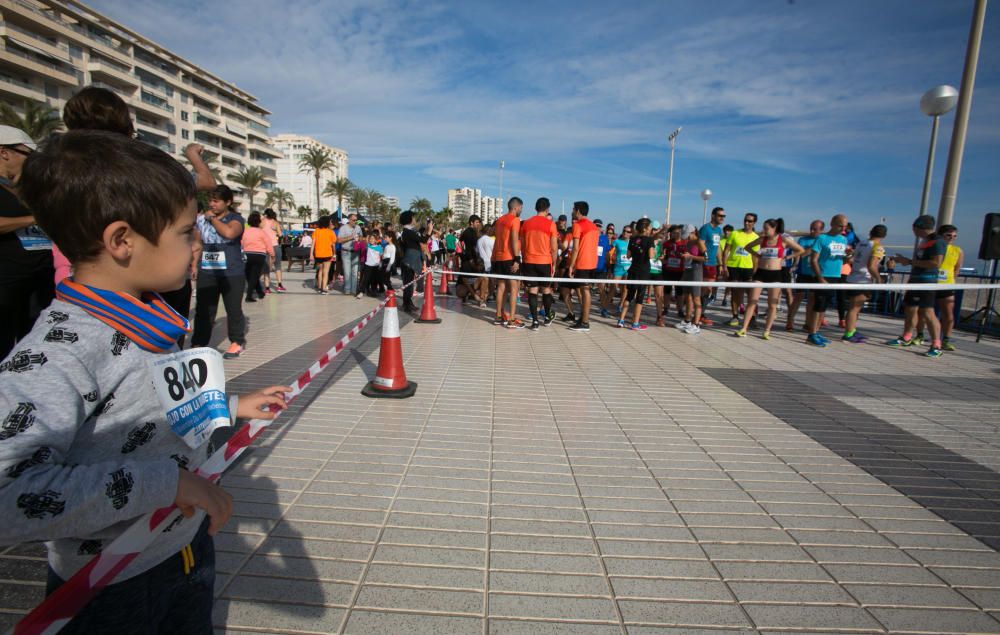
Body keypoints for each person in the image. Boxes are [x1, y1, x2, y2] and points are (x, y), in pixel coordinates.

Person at [3, 129, 291, 634]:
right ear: (122, 241)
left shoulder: (144, 319)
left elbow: (146, 407)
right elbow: (10, 493)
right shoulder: (58, 353)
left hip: (180, 546)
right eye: (185, 232)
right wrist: (171, 482)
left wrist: (226, 405)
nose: (197, 242)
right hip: (109, 582)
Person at [0, 125, 54, 361]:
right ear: (5, 153)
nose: (33, 163)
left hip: (39, 285)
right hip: (6, 286)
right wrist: (33, 218)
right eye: (28, 155)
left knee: (32, 348)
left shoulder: (26, 189)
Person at [191, 185, 247, 358]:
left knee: (233, 308)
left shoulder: (235, 219)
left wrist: (212, 220)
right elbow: (198, 243)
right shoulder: (201, 220)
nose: (212, 204)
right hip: (208, 271)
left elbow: (229, 233)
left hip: (232, 272)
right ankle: (199, 342)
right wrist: (194, 264)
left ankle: (236, 342)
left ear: (228, 202)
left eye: (216, 201)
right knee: (204, 309)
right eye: (210, 201)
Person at [886, 215, 947, 357]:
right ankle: (906, 336)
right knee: (910, 309)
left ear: (918, 227)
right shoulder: (925, 241)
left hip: (927, 281)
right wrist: (905, 261)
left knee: (927, 312)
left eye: (914, 229)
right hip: (916, 279)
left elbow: (936, 263)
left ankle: (936, 345)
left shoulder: (937, 242)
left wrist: (909, 262)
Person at [734, 218, 804, 339]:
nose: (764, 230)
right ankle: (744, 328)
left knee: (772, 304)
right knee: (752, 301)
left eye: (766, 228)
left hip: (775, 273)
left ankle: (767, 330)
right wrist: (757, 255)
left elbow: (800, 250)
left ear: (774, 228)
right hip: (761, 273)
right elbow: (747, 247)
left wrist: (787, 257)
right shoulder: (762, 239)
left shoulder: (783, 240)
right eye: (763, 228)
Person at [805, 214, 851, 347]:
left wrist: (848, 256)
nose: (842, 228)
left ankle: (817, 331)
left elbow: (842, 259)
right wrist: (820, 277)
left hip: (836, 276)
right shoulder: (822, 238)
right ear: (832, 223)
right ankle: (811, 333)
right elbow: (813, 259)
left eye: (844, 226)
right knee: (818, 305)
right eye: (840, 225)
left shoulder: (843, 240)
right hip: (822, 275)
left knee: (824, 306)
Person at [842, 224, 886, 343]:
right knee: (854, 308)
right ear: (883, 236)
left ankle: (852, 329)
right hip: (862, 280)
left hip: (852, 277)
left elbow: (852, 259)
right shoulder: (878, 247)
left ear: (871, 231)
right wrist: (879, 279)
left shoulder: (861, 243)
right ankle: (849, 333)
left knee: (854, 308)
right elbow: (871, 266)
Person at [520, 197, 559, 330]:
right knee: (546, 290)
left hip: (529, 260)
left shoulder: (526, 223)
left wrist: (525, 259)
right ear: (547, 209)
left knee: (533, 290)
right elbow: (554, 248)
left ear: (535, 208)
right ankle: (547, 317)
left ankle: (535, 321)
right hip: (544, 261)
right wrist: (554, 265)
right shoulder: (551, 224)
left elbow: (523, 246)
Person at [565, 201, 599, 332]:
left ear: (578, 211)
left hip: (583, 263)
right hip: (592, 263)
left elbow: (575, 248)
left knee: (584, 291)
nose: (572, 211)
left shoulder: (578, 225)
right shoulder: (594, 226)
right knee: (583, 291)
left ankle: (585, 322)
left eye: (573, 209)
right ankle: (583, 318)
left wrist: (571, 265)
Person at [491, 197, 524, 328]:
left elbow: (497, 238)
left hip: (498, 257)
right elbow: (514, 240)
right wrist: (517, 258)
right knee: (514, 288)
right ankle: (511, 319)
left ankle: (498, 316)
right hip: (509, 257)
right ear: (516, 207)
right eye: (521, 208)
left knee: (501, 287)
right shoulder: (515, 220)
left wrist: (493, 258)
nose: (521, 210)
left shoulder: (499, 220)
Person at [721, 213, 758, 327]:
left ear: (754, 223)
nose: (747, 223)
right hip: (733, 267)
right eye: (746, 220)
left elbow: (755, 256)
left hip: (748, 268)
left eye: (750, 221)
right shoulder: (735, 233)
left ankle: (752, 318)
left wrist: (755, 271)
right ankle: (735, 317)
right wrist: (724, 266)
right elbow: (726, 251)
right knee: (735, 293)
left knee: (751, 294)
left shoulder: (756, 237)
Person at [786, 220, 824, 331]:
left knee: (812, 299)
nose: (812, 231)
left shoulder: (822, 240)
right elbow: (801, 254)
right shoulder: (803, 240)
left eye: (815, 229)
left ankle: (808, 323)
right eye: (811, 228)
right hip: (803, 272)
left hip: (816, 273)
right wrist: (812, 248)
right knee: (798, 297)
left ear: (821, 230)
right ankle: (790, 320)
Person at [618, 218, 655, 331]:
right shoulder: (649, 240)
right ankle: (635, 323)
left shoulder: (632, 239)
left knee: (629, 295)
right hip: (643, 271)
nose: (650, 229)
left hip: (633, 269)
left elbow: (628, 255)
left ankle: (621, 320)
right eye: (649, 227)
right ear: (645, 228)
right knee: (639, 298)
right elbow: (651, 256)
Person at [933, 224, 962, 351]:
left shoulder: (958, 250)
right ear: (941, 235)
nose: (951, 238)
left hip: (947, 285)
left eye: (954, 236)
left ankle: (946, 339)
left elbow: (957, 268)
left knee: (948, 314)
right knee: (925, 313)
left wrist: (951, 281)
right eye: (948, 235)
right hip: (932, 283)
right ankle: (920, 335)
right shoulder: (935, 247)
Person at [697, 206, 726, 325]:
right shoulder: (705, 228)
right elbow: (700, 242)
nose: (722, 218)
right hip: (704, 263)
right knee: (704, 289)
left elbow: (718, 247)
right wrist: (705, 254)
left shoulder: (719, 230)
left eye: (723, 216)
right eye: (720, 215)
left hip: (713, 264)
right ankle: (698, 315)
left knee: (709, 290)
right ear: (713, 216)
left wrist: (720, 263)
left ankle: (700, 313)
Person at [677, 225, 706, 334]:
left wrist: (691, 257)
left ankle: (696, 324)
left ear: (693, 232)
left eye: (688, 236)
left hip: (696, 270)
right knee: (687, 296)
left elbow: (705, 258)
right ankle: (687, 320)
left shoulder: (699, 242)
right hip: (688, 270)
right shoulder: (688, 243)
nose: (687, 238)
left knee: (696, 298)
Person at [398, 211, 429, 313]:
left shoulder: (406, 232)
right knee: (408, 284)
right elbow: (423, 240)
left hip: (408, 261)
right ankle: (407, 304)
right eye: (413, 218)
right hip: (409, 261)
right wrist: (430, 231)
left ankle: (408, 303)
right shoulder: (409, 232)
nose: (415, 220)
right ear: (410, 219)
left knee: (409, 283)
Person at [240, 211, 274, 302]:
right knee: (255, 275)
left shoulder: (245, 232)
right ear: (259, 222)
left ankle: (259, 292)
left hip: (247, 254)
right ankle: (249, 296)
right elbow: (268, 244)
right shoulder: (262, 233)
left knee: (248, 274)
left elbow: (241, 243)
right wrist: (272, 255)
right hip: (259, 255)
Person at [337, 213, 363, 295]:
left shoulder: (358, 227)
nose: (355, 222)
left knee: (355, 273)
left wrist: (359, 239)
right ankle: (347, 290)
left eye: (356, 220)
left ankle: (354, 290)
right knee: (347, 272)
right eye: (354, 220)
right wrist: (351, 237)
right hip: (346, 252)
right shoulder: (343, 228)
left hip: (355, 252)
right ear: (349, 220)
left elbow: (361, 237)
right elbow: (339, 240)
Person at [262, 209, 286, 293]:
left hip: (264, 247)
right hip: (275, 246)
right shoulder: (275, 223)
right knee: (278, 265)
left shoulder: (262, 222)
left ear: (265, 214)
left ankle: (267, 288)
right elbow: (280, 234)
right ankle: (279, 285)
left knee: (266, 267)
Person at [311, 216, 335, 295]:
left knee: (320, 271)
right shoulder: (330, 232)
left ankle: (320, 287)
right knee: (326, 272)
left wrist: (311, 254)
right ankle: (324, 288)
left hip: (318, 254)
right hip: (327, 254)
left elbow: (313, 243)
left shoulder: (316, 231)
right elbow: (333, 242)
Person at [358, 229, 384, 298]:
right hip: (368, 265)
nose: (371, 240)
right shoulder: (368, 246)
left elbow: (381, 256)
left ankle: (374, 291)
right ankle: (362, 292)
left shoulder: (379, 247)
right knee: (365, 279)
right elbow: (366, 241)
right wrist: (367, 237)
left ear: (376, 240)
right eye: (370, 239)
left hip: (376, 266)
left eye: (373, 239)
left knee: (374, 279)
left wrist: (380, 263)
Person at [475, 223, 495, 309]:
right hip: (489, 264)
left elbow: (477, 251)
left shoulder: (479, 240)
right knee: (488, 282)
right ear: (489, 230)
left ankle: (482, 297)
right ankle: (485, 298)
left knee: (483, 282)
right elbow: (494, 251)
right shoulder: (490, 240)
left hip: (481, 264)